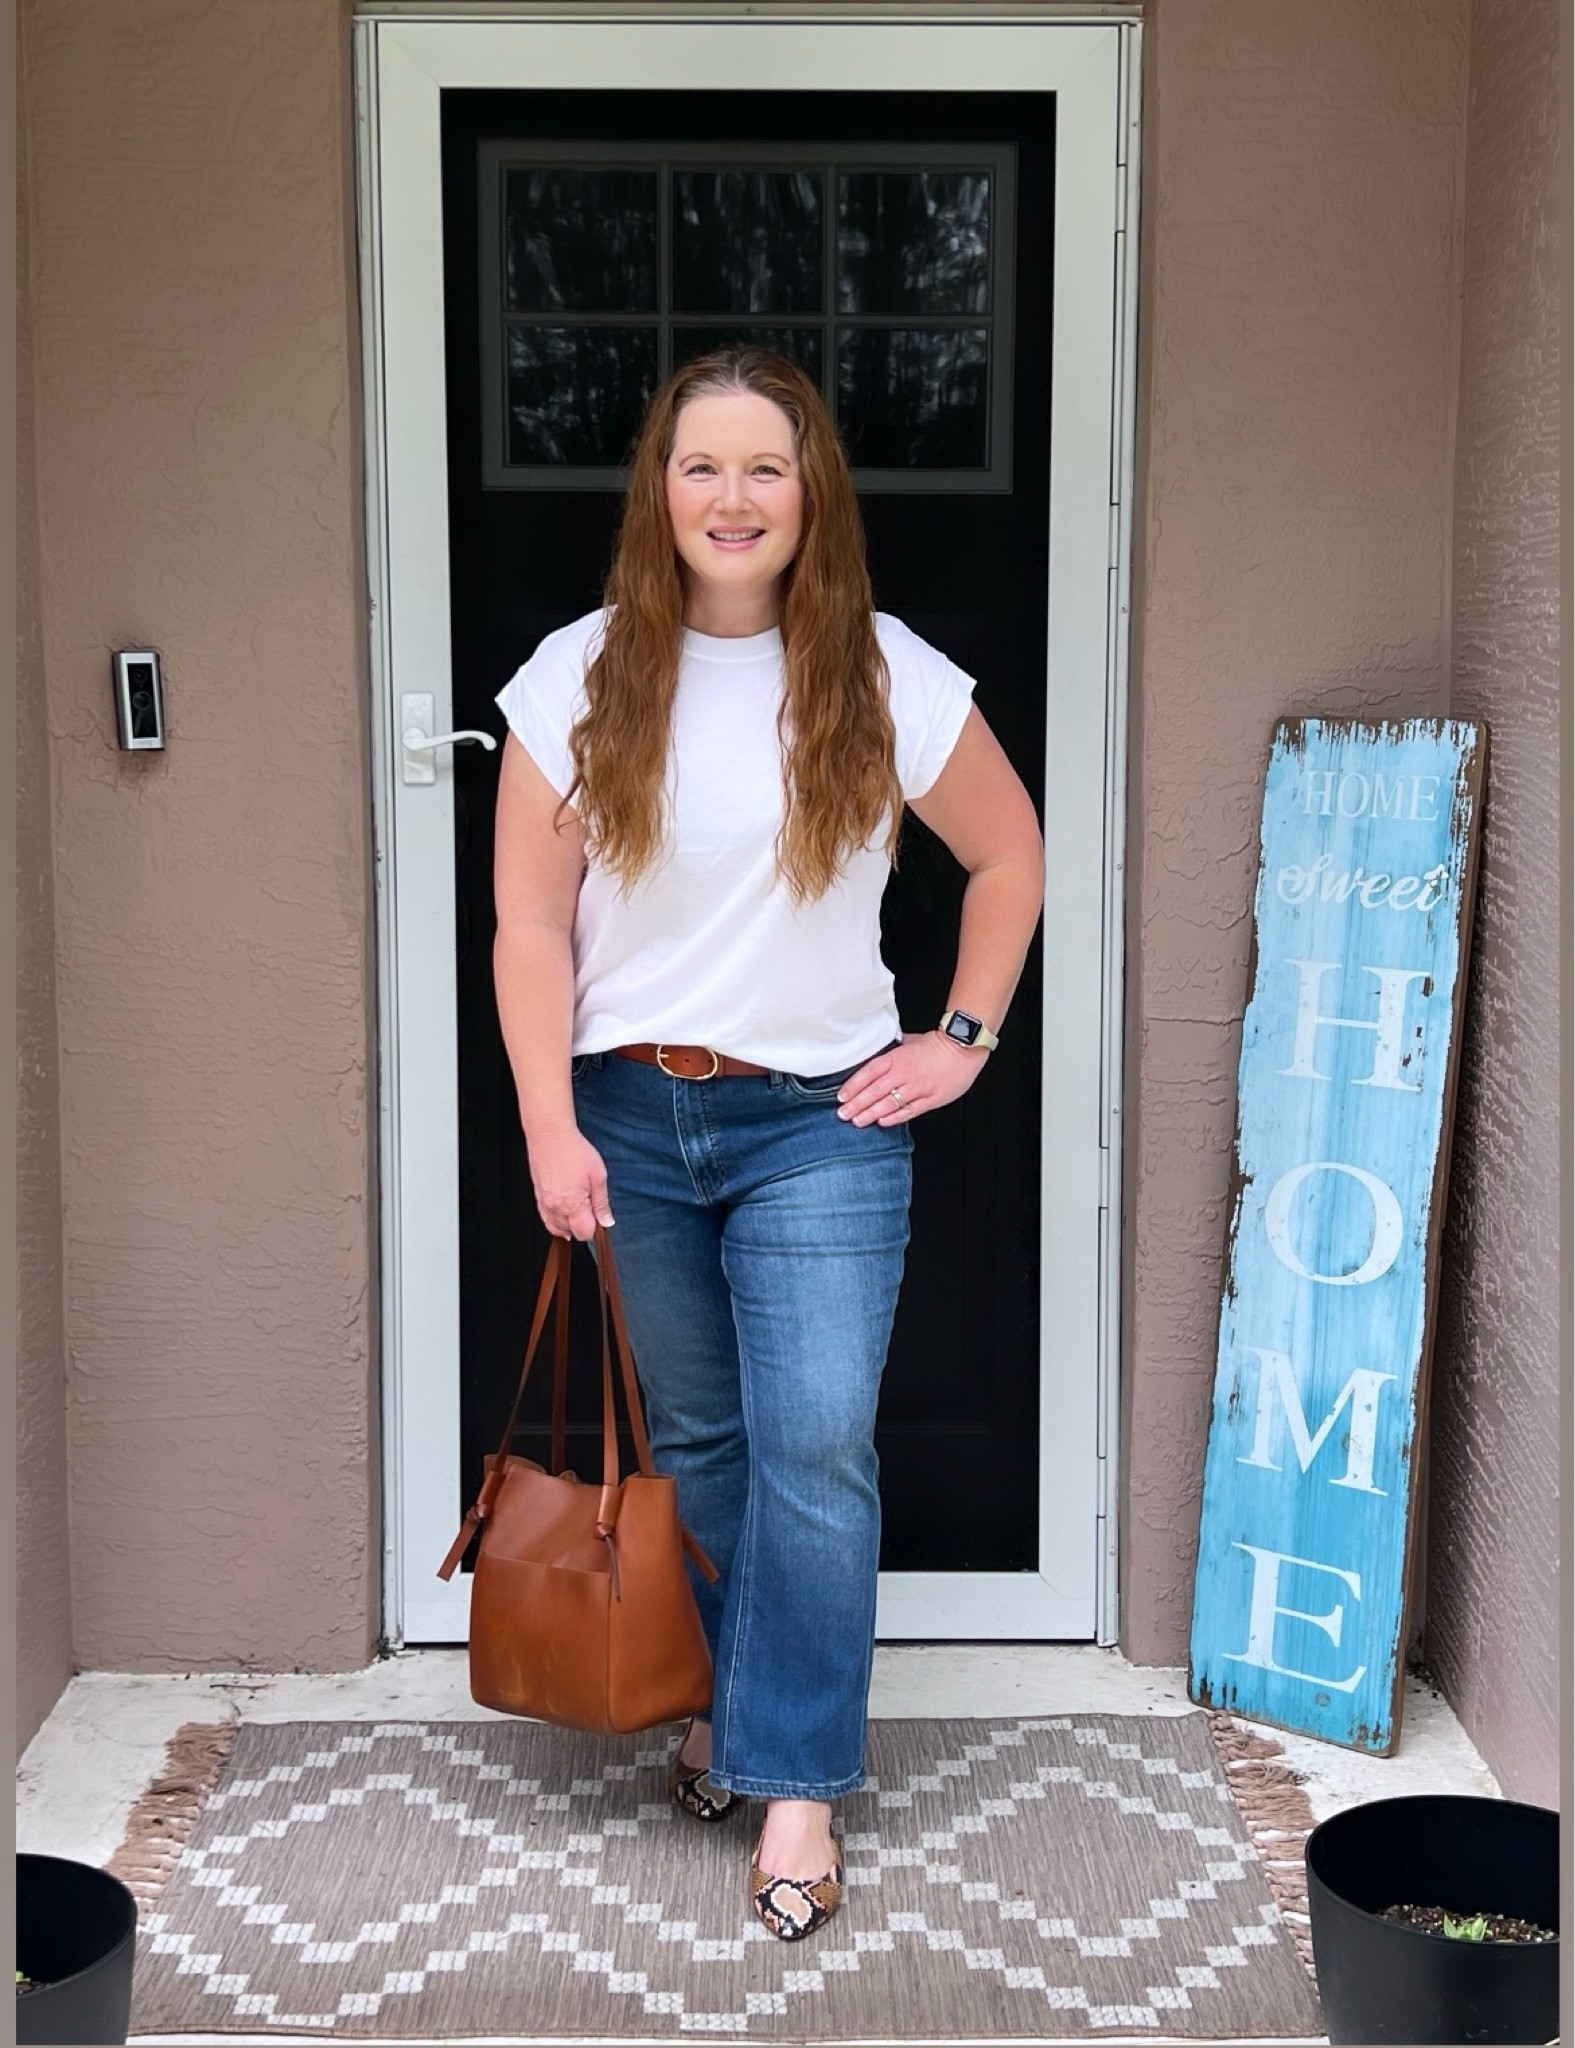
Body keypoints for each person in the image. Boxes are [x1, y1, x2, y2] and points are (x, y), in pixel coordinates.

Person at [491, 348, 1044, 1942]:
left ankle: (793, 1781)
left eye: (765, 471)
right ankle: (738, 1710)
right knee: (713, 1448)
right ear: (659, 493)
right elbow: (530, 923)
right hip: (630, 1114)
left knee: (812, 1442)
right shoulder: (578, 677)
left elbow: (1008, 856)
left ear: (813, 500)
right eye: (701, 468)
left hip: (821, 1125)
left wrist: (959, 1041)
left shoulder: (885, 675)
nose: (731, 499)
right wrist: (546, 1120)